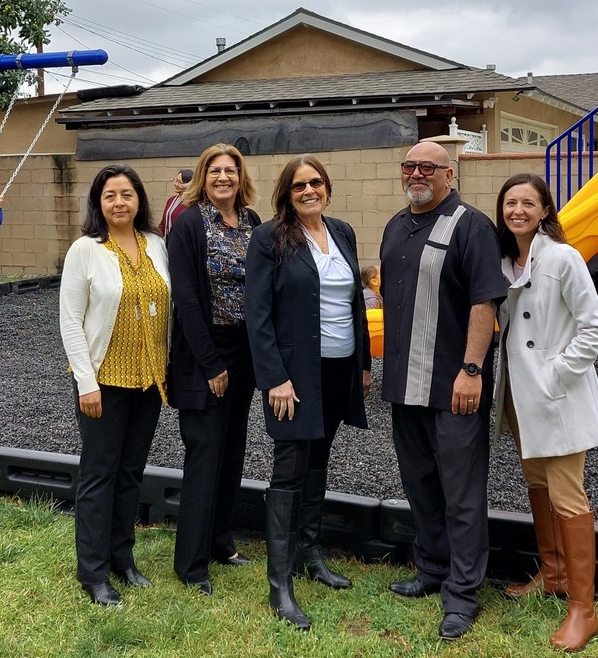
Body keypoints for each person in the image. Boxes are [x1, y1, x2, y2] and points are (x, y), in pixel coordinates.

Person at [379, 141, 508, 641]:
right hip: (404, 385)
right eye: (409, 166)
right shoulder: (395, 225)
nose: (417, 173)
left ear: (447, 175)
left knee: (462, 492)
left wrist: (471, 369)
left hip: (455, 385)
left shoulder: (471, 226)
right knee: (420, 484)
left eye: (427, 167)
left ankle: (462, 593)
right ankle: (432, 569)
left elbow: (484, 301)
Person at [245, 155, 371, 631]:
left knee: (319, 459)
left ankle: (309, 553)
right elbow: (257, 315)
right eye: (298, 185)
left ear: (327, 187)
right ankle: (280, 583)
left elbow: (355, 303)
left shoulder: (342, 232)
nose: (308, 190)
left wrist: (362, 363)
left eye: (315, 182)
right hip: (294, 374)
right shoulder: (269, 239)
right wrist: (275, 377)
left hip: (338, 370)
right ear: (287, 193)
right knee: (290, 466)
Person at [494, 173, 598, 652]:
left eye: (528, 203)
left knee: (568, 495)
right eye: (509, 202)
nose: (517, 210)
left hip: (555, 398)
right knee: (537, 484)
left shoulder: (562, 258)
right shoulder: (503, 262)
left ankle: (585, 611)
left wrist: (554, 375)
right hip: (520, 400)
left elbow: (596, 329)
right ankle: (553, 573)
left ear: (545, 210)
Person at [59, 164, 172, 606]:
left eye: (127, 194)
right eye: (110, 196)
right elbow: (70, 322)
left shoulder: (158, 246)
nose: (120, 202)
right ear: (98, 203)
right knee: (98, 476)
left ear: (139, 199)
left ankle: (122, 558)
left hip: (148, 382)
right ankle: (93, 571)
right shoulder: (85, 250)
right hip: (102, 381)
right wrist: (85, 382)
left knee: (130, 474)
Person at [166, 144, 259, 596]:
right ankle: (191, 563)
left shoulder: (252, 223)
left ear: (241, 177)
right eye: (216, 171)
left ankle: (222, 542)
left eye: (231, 170)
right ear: (203, 176)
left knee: (232, 449)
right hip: (204, 353)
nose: (224, 177)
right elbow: (185, 298)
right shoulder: (188, 225)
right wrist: (211, 362)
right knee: (204, 452)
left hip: (245, 352)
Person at [158, 168, 193, 238]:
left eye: (180, 182)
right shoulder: (171, 200)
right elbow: (163, 223)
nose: (176, 184)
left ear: (188, 184)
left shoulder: (191, 203)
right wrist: (155, 236)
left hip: (180, 241)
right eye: (176, 180)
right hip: (168, 240)